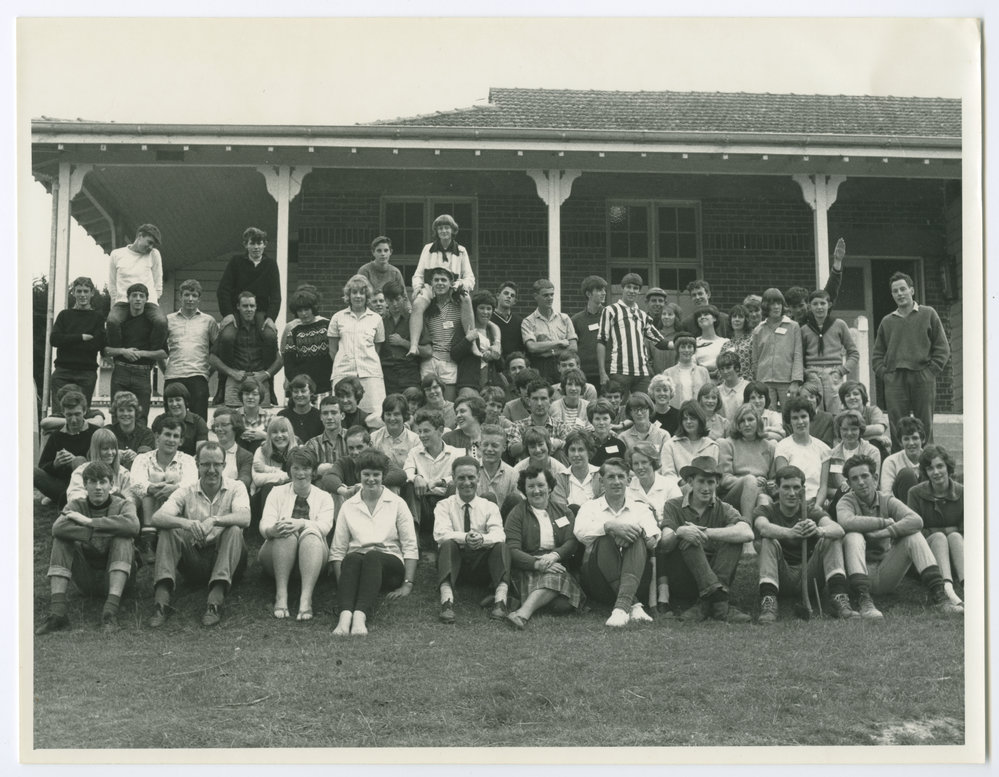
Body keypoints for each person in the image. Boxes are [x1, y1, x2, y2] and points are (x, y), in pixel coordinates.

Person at [837, 454, 962, 618]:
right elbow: (847, 522)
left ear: (875, 477)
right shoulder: (846, 501)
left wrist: (887, 531)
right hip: (858, 573)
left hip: (886, 570)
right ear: (849, 483)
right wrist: (883, 522)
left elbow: (916, 520)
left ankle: (940, 596)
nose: (860, 482)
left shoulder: (886, 499)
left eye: (864, 476)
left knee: (914, 536)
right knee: (853, 536)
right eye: (855, 478)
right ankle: (864, 601)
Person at [147, 442, 251, 628]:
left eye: (217, 464)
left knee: (234, 529)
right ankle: (161, 601)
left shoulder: (237, 487)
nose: (211, 470)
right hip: (195, 560)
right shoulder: (185, 491)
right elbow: (157, 517)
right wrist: (185, 523)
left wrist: (215, 520)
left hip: (228, 558)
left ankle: (215, 601)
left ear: (224, 466)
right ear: (197, 465)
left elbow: (245, 518)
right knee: (168, 531)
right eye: (205, 464)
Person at [34, 462, 140, 635]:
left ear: (111, 485)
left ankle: (110, 613)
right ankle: (58, 613)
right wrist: (97, 531)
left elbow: (134, 526)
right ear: (85, 485)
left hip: (119, 580)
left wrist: (89, 522)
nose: (98, 487)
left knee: (123, 538)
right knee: (61, 540)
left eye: (103, 482)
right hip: (87, 579)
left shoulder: (123, 505)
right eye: (92, 482)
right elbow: (57, 528)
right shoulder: (76, 505)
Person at [329, 449, 419, 636]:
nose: (371, 479)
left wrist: (407, 584)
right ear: (358, 475)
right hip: (358, 568)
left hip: (389, 567)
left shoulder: (397, 503)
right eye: (366, 474)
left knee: (372, 555)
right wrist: (344, 583)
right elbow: (338, 551)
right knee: (352, 557)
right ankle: (345, 617)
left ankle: (360, 617)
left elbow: (410, 545)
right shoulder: (348, 506)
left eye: (376, 475)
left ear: (383, 476)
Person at [754, 465, 857, 623]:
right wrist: (790, 532)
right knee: (768, 540)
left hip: (810, 575)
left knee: (831, 537)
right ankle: (769, 602)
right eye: (786, 487)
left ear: (803, 489)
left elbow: (838, 529)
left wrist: (818, 531)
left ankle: (839, 597)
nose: (792, 493)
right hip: (781, 577)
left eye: (796, 488)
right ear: (776, 488)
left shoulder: (810, 510)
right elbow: (762, 527)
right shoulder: (766, 510)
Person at [657, 456, 753, 622]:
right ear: (690, 482)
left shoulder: (723, 508)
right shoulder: (672, 505)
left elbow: (748, 533)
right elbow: (664, 544)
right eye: (701, 481)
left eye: (711, 482)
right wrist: (680, 531)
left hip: (717, 571)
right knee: (689, 537)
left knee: (733, 537)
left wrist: (706, 532)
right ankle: (721, 603)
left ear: (717, 484)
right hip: (685, 577)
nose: (706, 488)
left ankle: (707, 602)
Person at [573, 457, 659, 627]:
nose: (616, 482)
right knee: (606, 536)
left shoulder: (641, 508)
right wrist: (610, 526)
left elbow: (653, 540)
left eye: (621, 477)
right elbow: (580, 534)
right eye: (611, 477)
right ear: (602, 481)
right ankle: (632, 605)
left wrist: (635, 533)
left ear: (628, 480)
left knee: (635, 535)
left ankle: (621, 608)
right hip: (599, 581)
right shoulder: (589, 507)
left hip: (637, 579)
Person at [872, 271, 950, 449]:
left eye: (902, 289)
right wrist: (886, 375)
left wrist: (930, 372)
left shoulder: (928, 314)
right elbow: (877, 356)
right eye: (895, 291)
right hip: (895, 379)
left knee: (925, 423)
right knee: (897, 424)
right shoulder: (887, 321)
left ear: (912, 290)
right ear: (892, 295)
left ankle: (926, 463)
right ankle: (900, 467)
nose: (899, 294)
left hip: (922, 376)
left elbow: (942, 348)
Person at [259, 446, 335, 620]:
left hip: (312, 558)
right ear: (289, 470)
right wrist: (272, 530)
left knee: (311, 534)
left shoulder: (324, 497)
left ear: (313, 471)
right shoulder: (276, 492)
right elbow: (265, 524)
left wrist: (301, 523)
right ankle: (281, 595)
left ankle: (306, 599)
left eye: (306, 468)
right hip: (277, 557)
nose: (301, 473)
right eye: (296, 468)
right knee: (285, 531)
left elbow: (324, 526)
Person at [504, 466, 584, 629]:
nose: (536, 491)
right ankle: (523, 613)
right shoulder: (517, 513)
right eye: (531, 486)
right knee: (559, 591)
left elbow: (571, 542)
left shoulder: (564, 512)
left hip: (557, 563)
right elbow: (511, 549)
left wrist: (554, 556)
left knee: (562, 605)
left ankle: (523, 606)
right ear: (524, 490)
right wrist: (537, 563)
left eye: (541, 485)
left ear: (549, 487)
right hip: (529, 567)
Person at [434, 457, 512, 624]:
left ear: (478, 477)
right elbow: (440, 534)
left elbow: (499, 534)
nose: (467, 482)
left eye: (471, 477)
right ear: (453, 479)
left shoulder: (489, 506)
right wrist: (465, 537)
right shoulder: (443, 505)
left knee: (502, 547)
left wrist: (482, 538)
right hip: (455, 565)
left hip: (481, 565)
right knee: (447, 544)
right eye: (461, 478)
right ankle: (446, 602)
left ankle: (500, 601)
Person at [406, 214, 475, 358]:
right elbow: (418, 274)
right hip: (431, 287)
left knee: (466, 299)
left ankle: (473, 343)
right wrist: (418, 286)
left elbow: (470, 277)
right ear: (436, 231)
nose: (444, 231)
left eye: (447, 228)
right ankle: (413, 346)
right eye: (440, 228)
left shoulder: (461, 250)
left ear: (453, 230)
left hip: (452, 287)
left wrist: (459, 284)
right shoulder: (428, 249)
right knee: (418, 303)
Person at [907, 444, 964, 608]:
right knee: (939, 537)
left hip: (958, 554)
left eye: (940, 466)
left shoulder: (963, 492)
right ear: (925, 472)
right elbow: (915, 530)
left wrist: (945, 531)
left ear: (948, 467)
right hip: (928, 558)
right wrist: (945, 530)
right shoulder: (915, 493)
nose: (936, 472)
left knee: (954, 536)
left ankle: (966, 583)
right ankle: (947, 588)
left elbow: (968, 531)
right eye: (930, 468)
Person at [105, 283, 168, 427]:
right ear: (128, 299)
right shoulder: (120, 321)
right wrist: (123, 351)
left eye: (141, 296)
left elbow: (163, 353)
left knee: (140, 417)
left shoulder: (153, 324)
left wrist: (141, 353)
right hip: (121, 371)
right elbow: (105, 350)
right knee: (117, 416)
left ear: (147, 300)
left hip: (143, 373)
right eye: (134, 296)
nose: (138, 299)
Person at [129, 415, 198, 544]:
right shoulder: (142, 458)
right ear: (157, 437)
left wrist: (174, 489)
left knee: (174, 482)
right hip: (147, 508)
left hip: (178, 509)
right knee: (148, 489)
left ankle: (166, 536)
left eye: (175, 436)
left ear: (181, 441)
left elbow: (192, 484)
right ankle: (148, 540)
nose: (171, 440)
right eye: (167, 434)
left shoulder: (188, 460)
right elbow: (135, 482)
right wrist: (152, 488)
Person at [209, 291, 282, 408]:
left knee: (262, 420)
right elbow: (212, 358)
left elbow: (279, 360)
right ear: (238, 307)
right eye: (245, 306)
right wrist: (231, 372)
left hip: (259, 380)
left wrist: (266, 374)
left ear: (256, 307)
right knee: (233, 420)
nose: (249, 309)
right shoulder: (231, 328)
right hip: (236, 380)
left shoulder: (263, 329)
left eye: (252, 306)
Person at [328, 274, 386, 415]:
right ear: (348, 295)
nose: (358, 296)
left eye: (362, 292)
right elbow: (332, 350)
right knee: (340, 413)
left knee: (374, 414)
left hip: (370, 374)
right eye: (354, 292)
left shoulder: (376, 319)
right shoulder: (338, 317)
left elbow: (377, 348)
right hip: (343, 373)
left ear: (367, 296)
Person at [404, 407, 463, 544]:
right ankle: (413, 540)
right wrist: (417, 477)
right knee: (408, 486)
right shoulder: (414, 452)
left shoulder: (456, 453)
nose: (422, 435)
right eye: (419, 431)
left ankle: (451, 539)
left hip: (446, 501)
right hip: (423, 503)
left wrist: (439, 482)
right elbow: (406, 472)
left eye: (426, 431)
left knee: (456, 486)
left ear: (440, 430)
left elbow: (460, 476)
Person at [163, 279, 219, 421]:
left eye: (194, 296)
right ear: (180, 296)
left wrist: (208, 372)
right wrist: (166, 369)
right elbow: (159, 349)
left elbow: (218, 351)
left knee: (198, 421)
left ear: (199, 299)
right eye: (187, 295)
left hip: (198, 377)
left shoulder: (209, 321)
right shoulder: (168, 320)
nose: (190, 299)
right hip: (173, 376)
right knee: (171, 422)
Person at [106, 224, 167, 353]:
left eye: (153, 245)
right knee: (112, 322)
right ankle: (118, 352)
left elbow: (158, 282)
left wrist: (152, 301)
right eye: (149, 242)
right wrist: (116, 301)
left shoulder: (154, 254)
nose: (151, 247)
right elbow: (112, 283)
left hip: (148, 302)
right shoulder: (117, 254)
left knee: (161, 322)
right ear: (140, 236)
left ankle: (152, 353)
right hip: (123, 301)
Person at [716, 404, 775, 533]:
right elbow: (724, 480)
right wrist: (750, 482)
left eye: (750, 419)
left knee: (763, 499)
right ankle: (746, 531)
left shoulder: (769, 446)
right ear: (737, 424)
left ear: (758, 421)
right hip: (734, 494)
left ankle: (763, 538)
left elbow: (774, 479)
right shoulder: (727, 443)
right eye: (742, 421)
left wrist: (770, 484)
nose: (746, 424)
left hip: (762, 492)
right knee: (750, 480)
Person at [48, 275, 105, 408]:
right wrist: (81, 337)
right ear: (73, 293)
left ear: (92, 293)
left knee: (81, 414)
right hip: (62, 371)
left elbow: (96, 345)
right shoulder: (64, 315)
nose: (82, 295)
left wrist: (67, 340)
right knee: (59, 414)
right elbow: (55, 339)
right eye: (79, 291)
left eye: (86, 291)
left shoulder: (97, 317)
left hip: (86, 373)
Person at [596, 273, 657, 395]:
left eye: (636, 288)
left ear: (639, 291)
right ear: (622, 288)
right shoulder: (610, 310)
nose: (632, 291)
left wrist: (679, 342)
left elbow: (659, 340)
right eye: (628, 287)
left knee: (643, 406)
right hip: (619, 371)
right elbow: (601, 341)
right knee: (617, 407)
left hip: (642, 374)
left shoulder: (642, 315)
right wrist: (602, 372)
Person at [800, 289, 858, 415]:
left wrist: (841, 371)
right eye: (815, 304)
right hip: (813, 373)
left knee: (835, 411)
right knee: (815, 411)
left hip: (833, 373)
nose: (819, 307)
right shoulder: (804, 329)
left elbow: (853, 353)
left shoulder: (839, 325)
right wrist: (806, 372)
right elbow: (799, 357)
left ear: (829, 305)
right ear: (809, 307)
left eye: (822, 303)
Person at [34, 390, 96, 508]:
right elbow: (43, 466)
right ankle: (64, 498)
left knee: (79, 460)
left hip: (89, 486)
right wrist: (55, 464)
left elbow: (103, 464)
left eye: (77, 414)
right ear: (63, 413)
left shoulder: (95, 432)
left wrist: (79, 464)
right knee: (32, 472)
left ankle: (74, 500)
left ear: (85, 411)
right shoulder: (56, 436)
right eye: (69, 415)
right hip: (63, 485)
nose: (73, 419)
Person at [216, 226, 281, 330]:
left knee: (269, 336)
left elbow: (275, 295)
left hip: (261, 311)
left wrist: (271, 317)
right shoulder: (236, 262)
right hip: (237, 311)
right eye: (252, 243)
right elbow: (223, 290)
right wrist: (228, 313)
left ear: (265, 244)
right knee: (227, 337)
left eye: (259, 243)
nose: (256, 247)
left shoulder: (271, 265)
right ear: (246, 245)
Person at [752, 287, 804, 411]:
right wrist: (757, 382)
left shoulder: (793, 327)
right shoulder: (758, 330)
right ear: (765, 306)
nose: (776, 307)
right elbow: (755, 359)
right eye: (772, 304)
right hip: (764, 381)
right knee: (768, 415)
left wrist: (795, 381)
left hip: (786, 381)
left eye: (779, 303)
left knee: (789, 414)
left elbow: (798, 355)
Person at [419, 267, 466, 401]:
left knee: (448, 404)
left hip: (449, 360)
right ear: (431, 283)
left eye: (444, 280)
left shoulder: (460, 305)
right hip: (430, 361)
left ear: (451, 283)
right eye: (436, 280)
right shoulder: (427, 305)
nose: (440, 283)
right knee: (429, 402)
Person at [773, 396, 831, 506]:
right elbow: (783, 483)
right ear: (789, 421)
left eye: (803, 416)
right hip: (791, 503)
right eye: (795, 418)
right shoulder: (782, 447)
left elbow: (823, 487)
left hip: (816, 504)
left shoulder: (824, 449)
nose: (800, 421)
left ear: (810, 417)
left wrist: (817, 507)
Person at [324, 426, 408, 500]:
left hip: (379, 506)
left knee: (393, 487)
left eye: (359, 447)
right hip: (352, 507)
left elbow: (400, 474)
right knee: (336, 491)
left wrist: (366, 484)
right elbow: (329, 477)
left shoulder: (379, 459)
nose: (355, 452)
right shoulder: (344, 462)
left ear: (370, 445)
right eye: (351, 448)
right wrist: (344, 491)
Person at [380, 279, 430, 397]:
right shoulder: (380, 322)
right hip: (387, 376)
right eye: (391, 300)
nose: (395, 304)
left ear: (404, 297)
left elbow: (428, 351)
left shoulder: (414, 320)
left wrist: (404, 343)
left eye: (397, 299)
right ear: (386, 301)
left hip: (409, 374)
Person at [280, 284, 333, 396]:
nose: (303, 313)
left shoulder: (327, 326)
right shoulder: (293, 332)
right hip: (304, 390)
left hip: (327, 386)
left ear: (313, 309)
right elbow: (289, 364)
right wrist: (301, 385)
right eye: (300, 310)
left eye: (306, 309)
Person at [522, 279, 577, 383]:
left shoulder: (564, 318)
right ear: (535, 296)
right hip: (541, 367)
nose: (550, 298)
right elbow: (532, 347)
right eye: (545, 295)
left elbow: (573, 347)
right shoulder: (528, 322)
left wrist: (545, 350)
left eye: (552, 294)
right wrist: (559, 342)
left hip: (563, 364)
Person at [659, 400, 719, 494]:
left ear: (700, 419)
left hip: (707, 492)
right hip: (679, 491)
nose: (688, 422)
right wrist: (686, 482)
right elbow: (668, 475)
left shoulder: (712, 446)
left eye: (692, 418)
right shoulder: (670, 445)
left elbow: (715, 476)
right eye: (685, 419)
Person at [451, 290, 502, 396]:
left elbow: (501, 366)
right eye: (482, 308)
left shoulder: (492, 333)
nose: (485, 312)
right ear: (475, 309)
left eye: (489, 308)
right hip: (469, 384)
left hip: (490, 386)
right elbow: (454, 354)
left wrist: (494, 356)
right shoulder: (465, 328)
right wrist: (468, 339)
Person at [827, 410, 882, 509]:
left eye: (854, 429)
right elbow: (827, 488)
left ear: (860, 430)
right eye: (844, 429)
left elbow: (873, 484)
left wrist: (850, 490)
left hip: (866, 501)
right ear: (839, 430)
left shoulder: (872, 452)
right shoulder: (831, 454)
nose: (849, 433)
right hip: (839, 502)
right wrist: (843, 492)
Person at [66, 428, 132, 505]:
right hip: (89, 513)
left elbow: (131, 498)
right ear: (96, 450)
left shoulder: (123, 473)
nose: (110, 453)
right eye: (105, 449)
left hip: (116, 513)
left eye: (113, 448)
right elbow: (74, 497)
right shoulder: (81, 471)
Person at [509, 380, 572, 460]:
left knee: (560, 453)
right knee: (525, 451)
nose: (539, 403)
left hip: (555, 470)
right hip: (528, 470)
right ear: (528, 401)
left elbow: (572, 446)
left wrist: (559, 443)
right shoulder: (518, 426)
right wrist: (537, 442)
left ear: (550, 401)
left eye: (543, 399)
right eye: (535, 399)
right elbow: (512, 450)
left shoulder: (561, 426)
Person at [251, 416, 298, 516]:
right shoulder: (261, 451)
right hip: (266, 496)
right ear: (269, 435)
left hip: (292, 494)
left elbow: (299, 477)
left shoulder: (298, 451)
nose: (279, 435)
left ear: (290, 433)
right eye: (275, 432)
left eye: (283, 431)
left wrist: (267, 469)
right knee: (269, 487)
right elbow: (257, 479)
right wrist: (286, 476)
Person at [626, 441, 681, 525]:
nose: (640, 467)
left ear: (653, 462)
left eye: (644, 462)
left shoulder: (670, 485)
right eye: (636, 463)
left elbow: (678, 516)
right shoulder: (628, 487)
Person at [304, 396, 349, 492]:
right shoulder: (312, 444)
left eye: (334, 413)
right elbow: (304, 472)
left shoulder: (352, 438)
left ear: (342, 415)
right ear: (320, 417)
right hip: (322, 494)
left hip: (350, 491)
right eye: (325, 413)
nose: (329, 417)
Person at [839, 380, 891, 461]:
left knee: (875, 443)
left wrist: (872, 437)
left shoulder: (872, 410)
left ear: (863, 396)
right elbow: (841, 436)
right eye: (848, 395)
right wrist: (875, 436)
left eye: (856, 394)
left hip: (871, 450)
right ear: (844, 400)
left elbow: (879, 429)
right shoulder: (841, 415)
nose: (852, 397)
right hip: (849, 450)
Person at [571, 275, 608, 387]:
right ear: (588, 294)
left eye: (604, 289)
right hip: (584, 374)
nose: (604, 293)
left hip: (607, 372)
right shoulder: (576, 320)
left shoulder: (610, 316)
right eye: (599, 290)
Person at [552, 428, 602, 512]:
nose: (576, 454)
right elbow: (559, 511)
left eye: (581, 450)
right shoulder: (560, 478)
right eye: (572, 450)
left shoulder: (600, 474)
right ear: (567, 453)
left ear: (589, 452)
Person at [477, 423, 520, 514]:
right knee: (487, 497)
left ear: (504, 447)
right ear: (480, 445)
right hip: (476, 519)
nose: (489, 449)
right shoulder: (471, 470)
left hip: (504, 522)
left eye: (494, 445)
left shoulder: (513, 474)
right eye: (485, 444)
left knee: (515, 498)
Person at [371, 394, 421, 471]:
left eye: (396, 414)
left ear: (404, 416)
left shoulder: (415, 441)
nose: (392, 418)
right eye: (388, 414)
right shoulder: (374, 438)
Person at [208, 408, 253, 494]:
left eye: (224, 425)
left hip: (234, 496)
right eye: (216, 425)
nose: (219, 429)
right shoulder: (206, 452)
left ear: (235, 426)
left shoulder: (246, 456)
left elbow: (244, 480)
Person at [880, 416, 926, 500]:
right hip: (901, 509)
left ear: (922, 439)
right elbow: (886, 496)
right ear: (901, 442)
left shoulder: (930, 459)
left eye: (915, 438)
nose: (911, 443)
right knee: (907, 474)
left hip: (926, 508)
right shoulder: (891, 462)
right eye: (906, 439)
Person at [107, 391, 154, 470]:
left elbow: (146, 459)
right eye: (121, 410)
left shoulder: (146, 433)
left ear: (136, 412)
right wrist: (114, 454)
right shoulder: (107, 432)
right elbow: (96, 454)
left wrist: (136, 457)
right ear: (115, 412)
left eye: (129, 410)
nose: (125, 414)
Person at [162, 383, 210, 457]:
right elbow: (157, 450)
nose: (174, 404)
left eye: (178, 400)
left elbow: (200, 453)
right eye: (170, 401)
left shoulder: (199, 422)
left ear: (185, 401)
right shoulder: (160, 421)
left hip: (191, 464)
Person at [663, 335, 710, 409]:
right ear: (677, 349)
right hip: (676, 413)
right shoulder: (668, 373)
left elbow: (708, 394)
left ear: (694, 350)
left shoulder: (703, 372)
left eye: (690, 347)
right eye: (683, 347)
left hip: (698, 413)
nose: (687, 350)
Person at [229, 377, 273, 454]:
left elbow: (280, 439)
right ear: (241, 396)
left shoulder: (270, 417)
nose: (250, 397)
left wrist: (263, 435)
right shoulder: (232, 415)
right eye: (246, 394)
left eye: (255, 394)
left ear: (260, 396)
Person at [278, 374, 324, 443]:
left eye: (303, 391)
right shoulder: (282, 416)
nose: (299, 395)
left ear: (311, 392)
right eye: (296, 391)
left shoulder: (320, 416)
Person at [585, 399, 628, 467]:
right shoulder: (585, 443)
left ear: (611, 419)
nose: (601, 423)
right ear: (591, 420)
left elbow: (625, 468)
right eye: (597, 419)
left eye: (605, 418)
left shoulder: (619, 444)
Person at [645, 289, 679, 374]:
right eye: (653, 301)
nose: (657, 304)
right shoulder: (643, 322)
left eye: (660, 301)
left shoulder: (679, 335)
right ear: (647, 302)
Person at [718, 304, 754, 383]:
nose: (737, 319)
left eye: (740, 317)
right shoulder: (726, 345)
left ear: (746, 320)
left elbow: (754, 365)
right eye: (734, 317)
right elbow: (720, 368)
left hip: (746, 385)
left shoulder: (752, 341)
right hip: (727, 386)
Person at [491, 281, 526, 364]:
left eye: (512, 295)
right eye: (506, 293)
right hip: (495, 366)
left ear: (515, 301)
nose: (509, 296)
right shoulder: (489, 319)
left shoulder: (520, 321)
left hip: (514, 367)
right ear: (498, 296)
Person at [443, 394, 487, 459]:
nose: (458, 415)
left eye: (462, 411)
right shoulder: (448, 439)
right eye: (456, 413)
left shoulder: (491, 436)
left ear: (476, 413)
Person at [692, 305, 729, 379]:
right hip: (700, 381)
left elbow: (729, 364)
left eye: (706, 314)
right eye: (699, 316)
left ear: (714, 318)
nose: (702, 317)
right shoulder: (693, 342)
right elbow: (692, 367)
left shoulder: (726, 342)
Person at [716, 352, 749, 422]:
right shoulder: (717, 391)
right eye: (722, 369)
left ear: (737, 368)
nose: (725, 371)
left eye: (728, 368)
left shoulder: (748, 387)